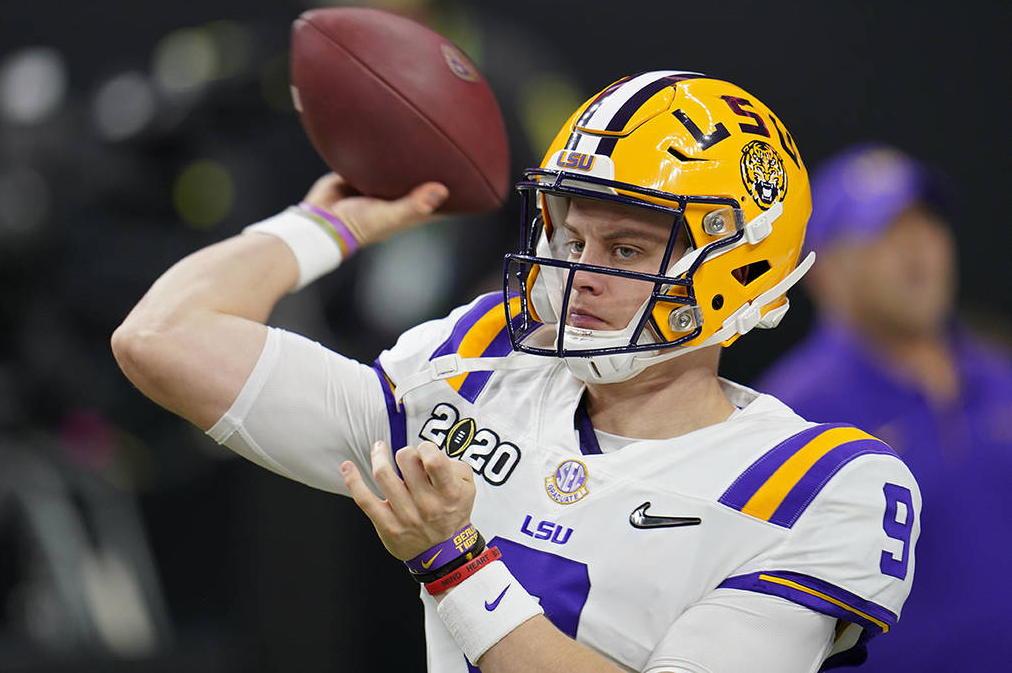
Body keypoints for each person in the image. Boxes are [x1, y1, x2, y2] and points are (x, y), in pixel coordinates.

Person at [112, 71, 921, 672]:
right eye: (571, 240)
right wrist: (324, 224)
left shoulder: (820, 486)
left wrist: (456, 565)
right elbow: (162, 337)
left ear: (740, 266)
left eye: (627, 248)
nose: (582, 273)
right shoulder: (485, 364)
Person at [756, 143, 1012, 669]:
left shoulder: (998, 372)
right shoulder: (791, 418)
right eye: (885, 234)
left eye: (927, 225)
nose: (917, 249)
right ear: (825, 273)